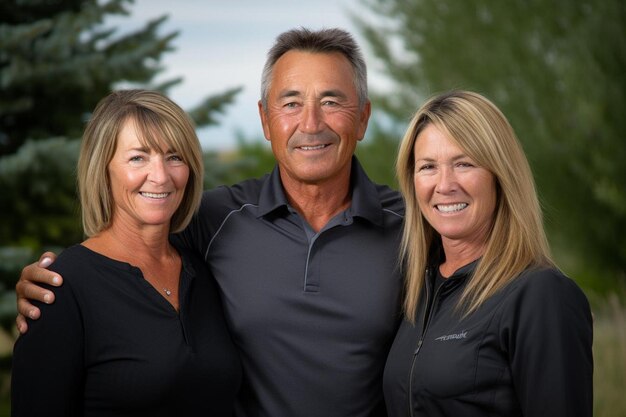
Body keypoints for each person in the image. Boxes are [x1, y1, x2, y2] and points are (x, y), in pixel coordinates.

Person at [15, 28, 404, 416]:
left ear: (363, 118)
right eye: (290, 103)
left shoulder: (412, 229)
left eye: (331, 101)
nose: (311, 122)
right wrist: (52, 285)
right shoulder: (217, 220)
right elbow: (117, 257)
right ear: (265, 120)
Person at [11, 89, 242, 416]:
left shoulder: (202, 272)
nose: (161, 176)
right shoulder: (61, 289)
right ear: (103, 169)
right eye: (138, 157)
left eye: (174, 156)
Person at [383, 90, 593, 416]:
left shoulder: (540, 295)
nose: (444, 184)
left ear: (500, 175)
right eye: (428, 167)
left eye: (463, 163)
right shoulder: (416, 293)